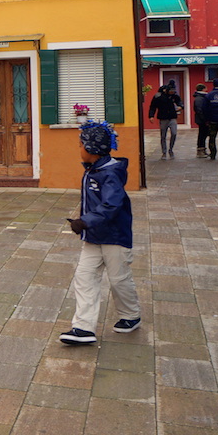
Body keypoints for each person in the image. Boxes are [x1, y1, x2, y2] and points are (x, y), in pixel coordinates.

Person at [61, 121, 141, 345]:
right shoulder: (92, 170)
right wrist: (86, 224)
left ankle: (130, 315)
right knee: (84, 278)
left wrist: (84, 221)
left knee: (118, 280)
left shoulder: (110, 174)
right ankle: (83, 327)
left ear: (91, 148)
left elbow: (111, 205)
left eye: (80, 145)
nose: (79, 149)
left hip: (115, 237)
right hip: (94, 238)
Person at [148, 84, 183, 159]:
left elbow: (179, 102)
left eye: (173, 91)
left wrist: (180, 106)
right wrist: (151, 116)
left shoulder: (174, 95)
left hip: (172, 117)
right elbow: (153, 106)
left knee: (174, 133)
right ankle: (164, 152)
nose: (172, 92)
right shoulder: (158, 96)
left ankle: (171, 149)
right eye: (171, 91)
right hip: (163, 117)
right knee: (163, 136)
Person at [193, 83, 209, 158]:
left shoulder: (200, 97)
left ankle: (202, 149)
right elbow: (199, 110)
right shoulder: (200, 98)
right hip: (202, 119)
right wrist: (205, 119)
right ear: (203, 89)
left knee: (203, 134)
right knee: (202, 135)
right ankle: (200, 150)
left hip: (201, 119)